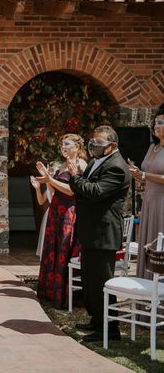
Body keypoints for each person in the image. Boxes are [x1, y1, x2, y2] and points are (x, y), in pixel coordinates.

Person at [68, 125, 130, 342]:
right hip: (89, 229)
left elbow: (94, 192)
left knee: (103, 281)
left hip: (104, 232)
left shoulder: (117, 167)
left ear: (112, 145)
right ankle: (96, 320)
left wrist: (75, 176)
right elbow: (82, 189)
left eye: (99, 143)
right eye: (92, 142)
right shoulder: (96, 161)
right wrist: (79, 181)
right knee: (90, 280)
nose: (94, 146)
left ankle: (110, 328)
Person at [34, 134, 88, 309]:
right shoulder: (62, 165)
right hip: (56, 210)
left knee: (64, 247)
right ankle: (50, 292)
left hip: (68, 212)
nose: (63, 147)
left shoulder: (81, 165)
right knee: (53, 247)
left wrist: (50, 180)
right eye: (61, 144)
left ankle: (63, 294)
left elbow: (73, 191)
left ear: (77, 147)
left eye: (67, 144)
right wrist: (46, 178)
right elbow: (53, 190)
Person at [128, 104, 164, 279]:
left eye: (162, 123)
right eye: (156, 122)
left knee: (160, 243)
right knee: (148, 243)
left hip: (162, 202)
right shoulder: (152, 147)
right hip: (149, 201)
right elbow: (147, 175)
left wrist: (143, 174)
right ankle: (145, 288)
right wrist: (137, 175)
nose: (157, 125)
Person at [31, 161, 59, 258]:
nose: (50, 173)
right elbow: (41, 201)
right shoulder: (49, 184)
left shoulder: (58, 185)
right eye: (49, 170)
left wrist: (47, 180)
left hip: (56, 214)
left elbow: (54, 197)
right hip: (48, 214)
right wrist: (37, 188)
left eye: (52, 171)